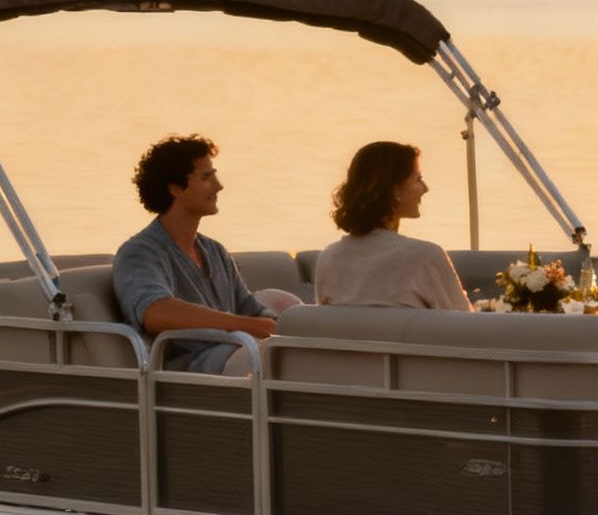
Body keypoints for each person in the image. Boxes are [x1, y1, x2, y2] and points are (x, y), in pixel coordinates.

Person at [111, 134, 302, 375]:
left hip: (237, 352)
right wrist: (246, 326)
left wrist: (288, 326)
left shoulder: (214, 251)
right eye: (206, 177)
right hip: (192, 368)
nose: (219, 185)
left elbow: (249, 308)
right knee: (282, 359)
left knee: (303, 351)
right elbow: (155, 313)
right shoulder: (138, 253)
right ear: (176, 189)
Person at [313, 141, 472, 311]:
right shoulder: (425, 257)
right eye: (418, 180)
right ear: (395, 190)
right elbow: (468, 327)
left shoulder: (329, 258)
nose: (425, 188)